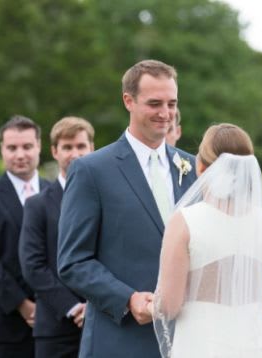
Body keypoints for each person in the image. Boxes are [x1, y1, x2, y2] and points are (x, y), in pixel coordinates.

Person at [57, 59, 197, 357]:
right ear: (128, 101)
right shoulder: (91, 170)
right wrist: (127, 299)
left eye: (172, 103)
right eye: (154, 103)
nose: (166, 114)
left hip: (188, 336)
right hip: (120, 339)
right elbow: (73, 261)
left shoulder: (194, 167)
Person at [149, 123, 262, 357]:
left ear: (201, 167)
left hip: (201, 344)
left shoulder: (184, 221)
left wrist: (147, 303)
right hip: (256, 346)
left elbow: (169, 305)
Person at [19, 116, 95, 358]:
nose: (75, 153)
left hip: (102, 323)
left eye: (81, 146)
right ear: (54, 151)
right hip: (55, 327)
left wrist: (95, 306)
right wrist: (73, 308)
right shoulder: (37, 205)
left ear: (91, 148)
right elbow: (33, 265)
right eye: (67, 147)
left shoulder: (107, 200)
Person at [0, 115, 50, 357]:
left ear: (39, 147)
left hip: (55, 325)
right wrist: (22, 304)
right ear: (2, 149)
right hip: (2, 327)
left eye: (27, 146)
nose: (20, 154)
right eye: (12, 148)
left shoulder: (58, 193)